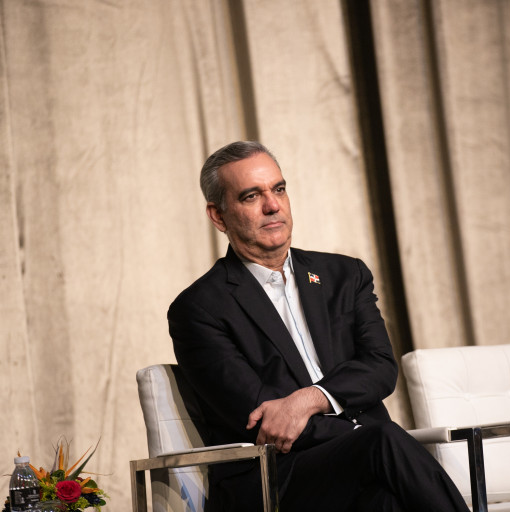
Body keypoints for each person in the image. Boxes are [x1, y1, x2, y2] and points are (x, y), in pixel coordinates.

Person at [168, 141, 470, 511]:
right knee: (382, 440)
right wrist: (357, 431)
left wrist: (311, 398)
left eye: (279, 189)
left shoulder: (344, 275)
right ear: (218, 216)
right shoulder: (200, 308)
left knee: (385, 501)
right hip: (277, 475)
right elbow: (259, 418)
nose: (273, 205)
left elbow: (379, 367)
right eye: (251, 196)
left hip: (364, 463)